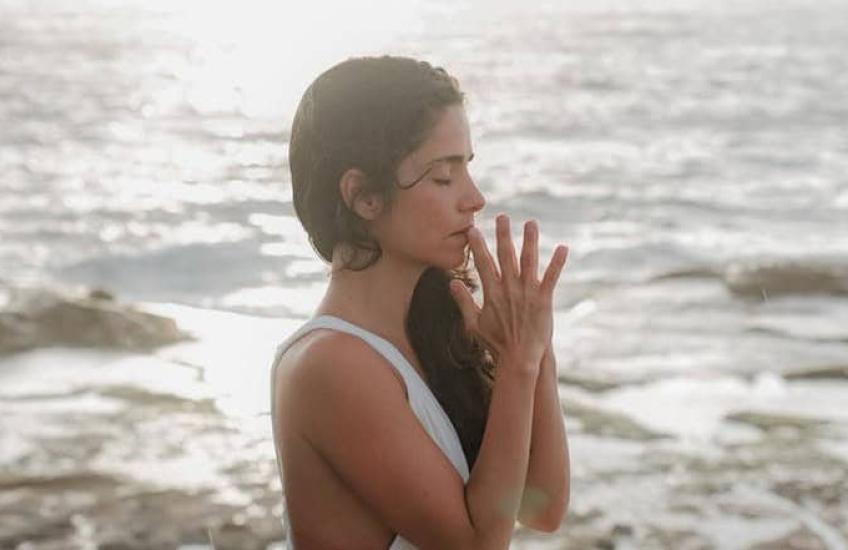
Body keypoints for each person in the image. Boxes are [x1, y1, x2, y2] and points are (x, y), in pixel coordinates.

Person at [269, 55, 570, 549]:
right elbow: (476, 546)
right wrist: (516, 364)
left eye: (468, 169)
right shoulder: (328, 364)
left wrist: (536, 350)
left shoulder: (435, 331)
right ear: (363, 196)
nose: (474, 198)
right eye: (443, 177)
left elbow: (542, 505)